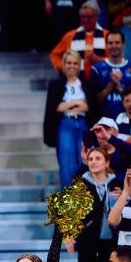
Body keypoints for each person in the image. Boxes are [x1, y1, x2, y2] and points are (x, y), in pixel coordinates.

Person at [64, 147, 119, 262]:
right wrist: (68, 235)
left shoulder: (117, 184)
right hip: (88, 243)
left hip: (113, 244)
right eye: (91, 158)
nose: (94, 161)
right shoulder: (81, 184)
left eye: (98, 158)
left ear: (107, 162)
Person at [44, 49, 92, 188]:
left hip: (83, 125)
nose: (72, 66)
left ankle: (82, 204)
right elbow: (56, 107)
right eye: (69, 63)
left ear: (79, 65)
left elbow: (89, 106)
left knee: (83, 163)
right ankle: (67, 205)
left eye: (75, 63)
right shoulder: (56, 85)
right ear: (64, 64)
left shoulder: (86, 84)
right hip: (65, 125)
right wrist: (77, 103)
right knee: (66, 165)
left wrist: (68, 105)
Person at [88, 30, 131, 120]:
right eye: (110, 43)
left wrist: (119, 87)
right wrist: (111, 85)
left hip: (129, 121)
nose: (114, 46)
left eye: (117, 43)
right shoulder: (96, 70)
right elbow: (94, 101)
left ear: (123, 44)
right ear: (106, 45)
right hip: (103, 121)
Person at [50, 0, 109, 80]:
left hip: (101, 82)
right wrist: (64, 67)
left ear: (96, 17)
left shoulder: (107, 35)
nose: (85, 20)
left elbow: (116, 60)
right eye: (83, 17)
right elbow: (54, 55)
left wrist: (100, 60)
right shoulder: (70, 36)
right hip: (77, 83)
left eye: (89, 17)